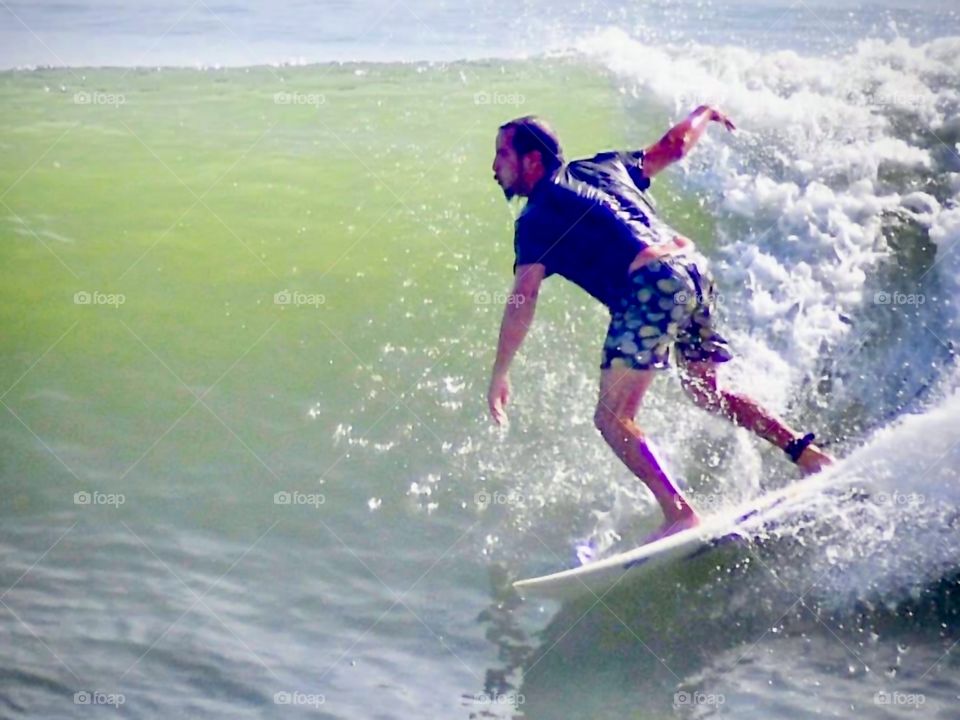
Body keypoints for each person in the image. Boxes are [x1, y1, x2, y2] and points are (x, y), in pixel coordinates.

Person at [487, 108, 834, 542]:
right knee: (709, 390)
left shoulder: (537, 217)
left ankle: (679, 513)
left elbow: (525, 294)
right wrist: (703, 114)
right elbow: (672, 148)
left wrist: (501, 371)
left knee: (612, 418)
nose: (495, 166)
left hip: (652, 283)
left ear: (532, 160)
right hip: (692, 270)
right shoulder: (605, 165)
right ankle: (808, 456)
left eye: (502, 154)